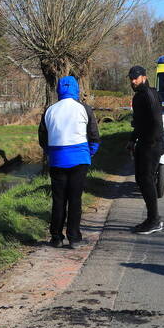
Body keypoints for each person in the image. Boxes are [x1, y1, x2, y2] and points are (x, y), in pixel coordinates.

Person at [38, 76, 100, 248]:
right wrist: (89, 153)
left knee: (58, 200)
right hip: (79, 160)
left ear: (58, 90)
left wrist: (51, 153)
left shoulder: (49, 110)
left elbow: (43, 138)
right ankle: (74, 237)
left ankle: (56, 237)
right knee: (75, 200)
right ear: (76, 89)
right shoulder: (84, 109)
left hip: (57, 160)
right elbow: (94, 136)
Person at [126, 65, 164, 235]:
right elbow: (139, 123)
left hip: (152, 143)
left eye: (136, 78)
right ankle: (152, 218)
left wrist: (150, 142)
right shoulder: (138, 97)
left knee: (146, 179)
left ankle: (154, 220)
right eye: (131, 78)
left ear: (144, 77)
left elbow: (156, 121)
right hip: (144, 142)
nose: (133, 81)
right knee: (141, 179)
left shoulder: (149, 94)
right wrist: (132, 139)